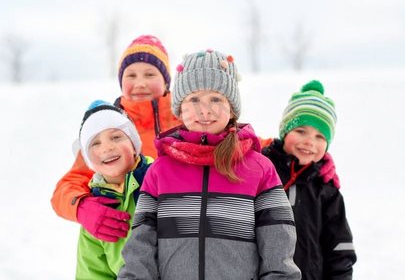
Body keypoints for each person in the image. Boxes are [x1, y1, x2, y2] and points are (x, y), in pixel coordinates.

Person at [118, 49, 301, 279]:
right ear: (179, 108)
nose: (204, 110)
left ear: (232, 108)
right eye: (194, 99)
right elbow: (140, 250)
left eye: (216, 99)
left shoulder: (259, 170)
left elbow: (278, 250)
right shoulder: (159, 172)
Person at [51, 35, 180, 242]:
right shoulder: (108, 130)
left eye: (149, 74)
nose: (140, 83)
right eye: (131, 75)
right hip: (126, 243)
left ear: (166, 81)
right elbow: (66, 188)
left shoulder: (187, 120)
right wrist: (82, 208)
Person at [261, 80, 357, 279]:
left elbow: (340, 248)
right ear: (285, 132)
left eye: (320, 136)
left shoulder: (326, 189)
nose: (309, 141)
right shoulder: (263, 171)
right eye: (300, 131)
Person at [75, 100, 153, 279]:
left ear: (134, 144)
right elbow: (92, 272)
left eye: (116, 137)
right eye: (95, 143)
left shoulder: (160, 179)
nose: (106, 147)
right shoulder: (95, 211)